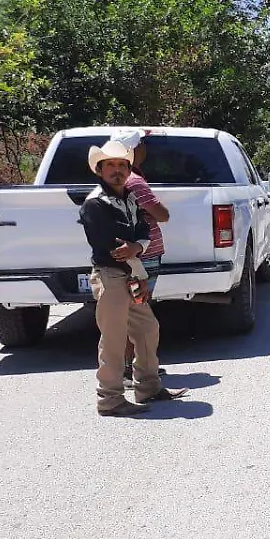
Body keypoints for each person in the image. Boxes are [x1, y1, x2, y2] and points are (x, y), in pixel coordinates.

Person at [80, 141, 188, 417]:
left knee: (148, 328)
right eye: (110, 166)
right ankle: (109, 399)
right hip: (111, 276)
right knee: (114, 338)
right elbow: (107, 243)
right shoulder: (95, 204)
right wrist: (134, 248)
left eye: (121, 165)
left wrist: (136, 248)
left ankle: (148, 387)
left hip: (131, 273)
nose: (116, 171)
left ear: (129, 170)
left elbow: (144, 229)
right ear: (100, 170)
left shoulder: (129, 197)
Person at [112, 129, 170, 387]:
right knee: (138, 313)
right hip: (142, 258)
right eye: (141, 144)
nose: (145, 149)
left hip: (128, 255)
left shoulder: (114, 179)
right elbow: (161, 214)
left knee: (132, 311)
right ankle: (133, 370)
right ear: (133, 151)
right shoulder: (134, 180)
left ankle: (135, 366)